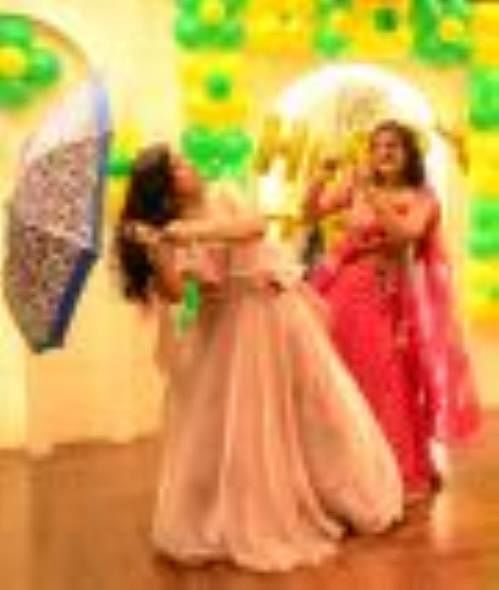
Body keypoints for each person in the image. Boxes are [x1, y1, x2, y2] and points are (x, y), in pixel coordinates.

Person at [114, 144, 402, 572]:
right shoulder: (168, 232)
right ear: (164, 187)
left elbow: (253, 227)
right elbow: (177, 293)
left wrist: (190, 232)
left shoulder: (222, 194)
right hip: (221, 328)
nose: (188, 165)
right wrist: (157, 253)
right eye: (175, 167)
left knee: (311, 408)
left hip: (270, 314)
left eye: (182, 160)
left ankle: (340, 497)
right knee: (236, 426)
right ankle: (234, 512)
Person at [305, 120, 480, 504]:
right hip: (342, 294)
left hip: (386, 298)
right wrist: (320, 174)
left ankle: (397, 473)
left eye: (392, 146)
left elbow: (405, 233)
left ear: (409, 154)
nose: (382, 153)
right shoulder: (354, 187)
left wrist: (371, 193)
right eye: (376, 146)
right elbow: (310, 212)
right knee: (344, 382)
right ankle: (346, 473)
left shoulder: (422, 197)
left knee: (386, 382)